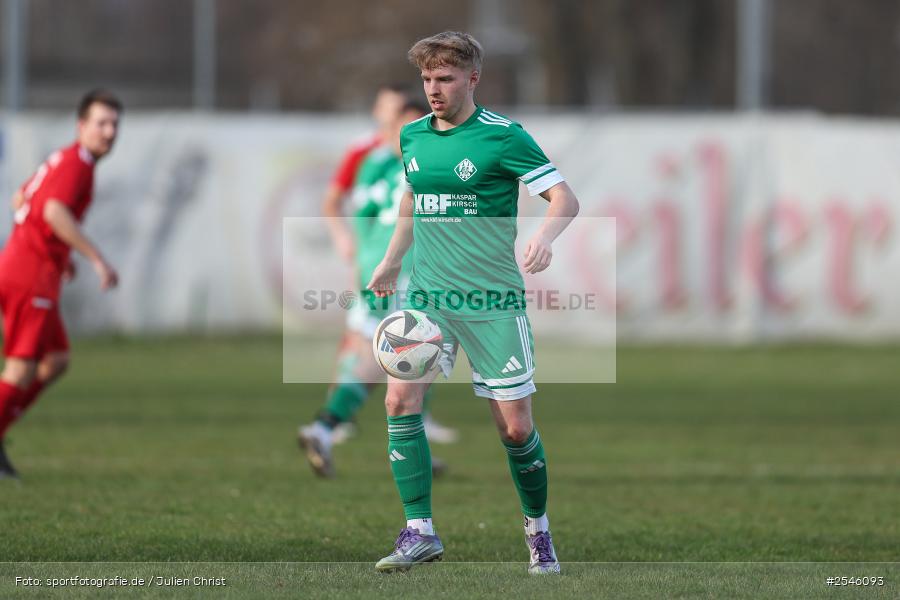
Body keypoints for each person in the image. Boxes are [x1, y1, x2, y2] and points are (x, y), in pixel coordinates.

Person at [366, 32, 580, 574]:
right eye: (427, 80)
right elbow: (414, 197)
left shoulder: (504, 137)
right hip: (431, 298)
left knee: (515, 429)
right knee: (398, 401)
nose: (433, 90)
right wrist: (393, 259)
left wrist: (543, 238)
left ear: (472, 80)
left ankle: (538, 534)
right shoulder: (413, 137)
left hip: (492, 302)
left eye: (445, 79)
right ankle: (420, 531)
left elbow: (564, 198)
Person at [299, 98, 456, 478]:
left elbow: (363, 218)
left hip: (379, 268)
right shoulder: (425, 161)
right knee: (409, 357)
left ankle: (328, 427)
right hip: (405, 270)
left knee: (392, 358)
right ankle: (327, 426)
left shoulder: (375, 164)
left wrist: (364, 262)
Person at [0, 89, 122, 479]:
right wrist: (94, 257)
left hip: (26, 267)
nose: (109, 132)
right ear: (81, 126)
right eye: (101, 123)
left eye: (115, 124)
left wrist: (58, 254)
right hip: (29, 275)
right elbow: (53, 211)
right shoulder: (78, 165)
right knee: (19, 370)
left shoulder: (64, 159)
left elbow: (22, 199)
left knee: (56, 361)